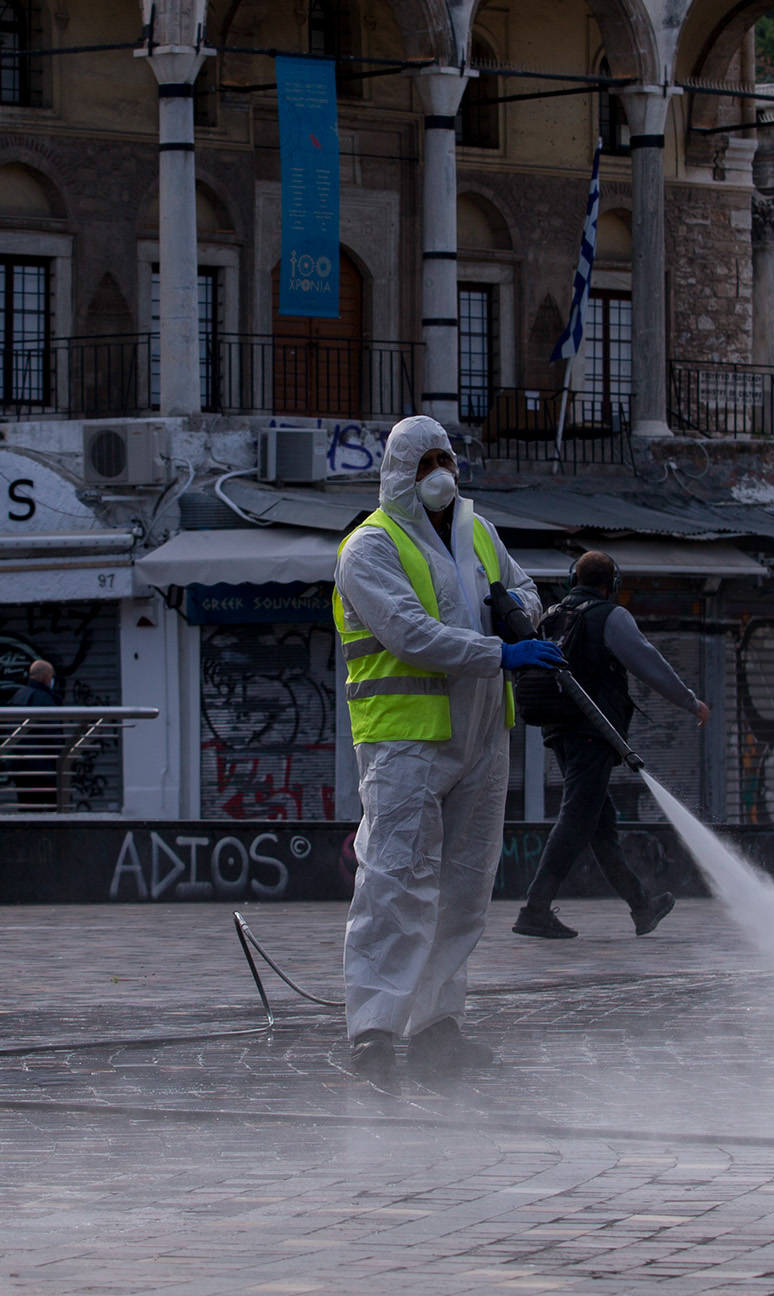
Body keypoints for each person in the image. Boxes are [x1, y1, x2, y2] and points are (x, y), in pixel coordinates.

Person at [332, 415, 556, 1082]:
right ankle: (373, 1030)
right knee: (396, 882)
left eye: (447, 459)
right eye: (427, 460)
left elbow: (527, 588)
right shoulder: (368, 549)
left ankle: (435, 1026)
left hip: (485, 733)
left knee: (464, 888)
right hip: (408, 737)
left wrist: (518, 610)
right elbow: (409, 633)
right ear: (399, 469)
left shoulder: (477, 532)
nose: (440, 473)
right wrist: (500, 649)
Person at [513, 550, 705, 939]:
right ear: (610, 584)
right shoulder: (609, 616)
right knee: (576, 817)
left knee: (599, 824)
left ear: (573, 579)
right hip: (593, 731)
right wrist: (689, 701)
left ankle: (641, 906)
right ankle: (534, 908)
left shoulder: (552, 614)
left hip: (559, 730)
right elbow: (648, 662)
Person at [8, 659, 60, 809]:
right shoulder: (43, 699)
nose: (52, 680)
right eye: (51, 676)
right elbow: (52, 734)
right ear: (44, 677)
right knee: (48, 811)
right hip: (42, 768)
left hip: (20, 766)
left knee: (27, 809)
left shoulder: (19, 696)